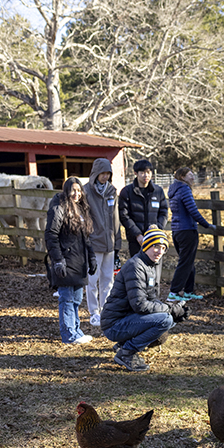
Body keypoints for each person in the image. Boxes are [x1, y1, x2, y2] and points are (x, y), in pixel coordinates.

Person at [100, 227, 188, 371]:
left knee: (168, 321)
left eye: (163, 248)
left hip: (127, 319)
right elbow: (140, 305)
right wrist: (170, 309)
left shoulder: (149, 265)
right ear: (146, 246)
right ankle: (126, 352)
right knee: (165, 320)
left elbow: (152, 299)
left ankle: (124, 344)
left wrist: (176, 311)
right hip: (114, 324)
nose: (159, 252)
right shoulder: (136, 266)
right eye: (156, 247)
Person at [45, 177, 97, 345]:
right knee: (66, 298)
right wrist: (58, 260)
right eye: (73, 190)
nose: (77, 194)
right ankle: (68, 334)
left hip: (79, 262)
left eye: (79, 190)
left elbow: (86, 239)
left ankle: (76, 330)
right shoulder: (58, 209)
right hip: (65, 261)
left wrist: (92, 257)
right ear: (66, 191)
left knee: (76, 299)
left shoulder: (81, 210)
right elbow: (51, 235)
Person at [166, 166, 213, 303]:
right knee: (185, 262)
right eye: (190, 175)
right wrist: (206, 224)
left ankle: (188, 291)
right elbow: (193, 210)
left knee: (188, 260)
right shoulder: (184, 189)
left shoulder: (173, 189)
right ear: (182, 177)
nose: (193, 177)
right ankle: (174, 292)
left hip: (177, 231)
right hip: (187, 230)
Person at [84, 158, 119, 327]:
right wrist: (87, 238)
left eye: (108, 174)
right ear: (95, 173)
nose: (105, 177)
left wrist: (117, 241)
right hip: (93, 243)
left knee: (108, 279)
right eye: (102, 173)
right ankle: (93, 312)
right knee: (92, 279)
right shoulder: (86, 191)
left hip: (109, 243)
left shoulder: (112, 190)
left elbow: (116, 218)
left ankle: (105, 310)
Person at [117, 159, 169, 258]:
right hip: (136, 240)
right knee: (137, 267)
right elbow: (124, 215)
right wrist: (137, 234)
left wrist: (158, 228)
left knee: (154, 269)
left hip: (155, 238)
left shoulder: (158, 191)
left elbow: (164, 212)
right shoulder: (127, 191)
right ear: (135, 173)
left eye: (148, 172)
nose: (146, 176)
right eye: (142, 173)